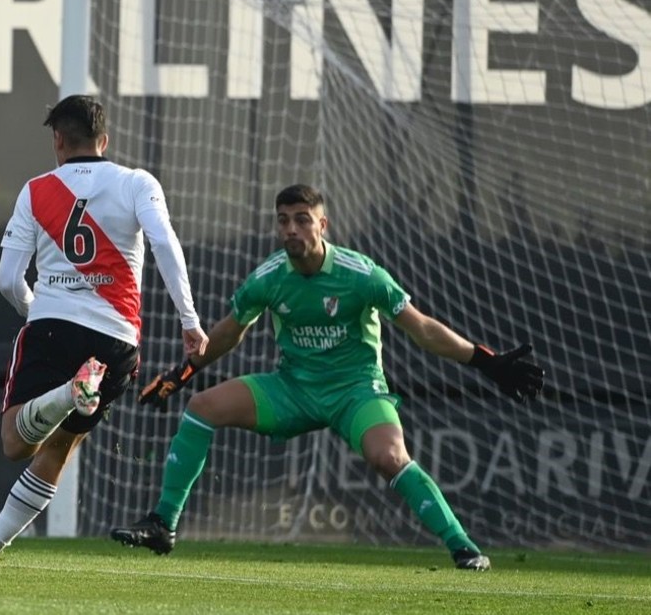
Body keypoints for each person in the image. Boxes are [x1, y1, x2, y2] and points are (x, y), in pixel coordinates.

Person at [110, 184, 544, 571]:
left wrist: (485, 361)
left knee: (389, 456)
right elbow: (227, 334)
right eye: (283, 221)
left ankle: (463, 546)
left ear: (323, 224)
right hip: (294, 389)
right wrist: (180, 374)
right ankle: (163, 524)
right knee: (202, 408)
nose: (291, 230)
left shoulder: (362, 275)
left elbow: (422, 328)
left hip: (356, 391)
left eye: (302, 220)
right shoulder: (269, 277)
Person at [0, 95, 209, 566]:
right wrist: (189, 321)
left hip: (54, 326)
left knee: (17, 442)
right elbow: (164, 242)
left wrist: (35, 309)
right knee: (61, 445)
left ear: (57, 139)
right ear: (105, 140)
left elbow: (9, 280)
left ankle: (66, 394)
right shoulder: (137, 183)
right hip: (117, 343)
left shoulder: (36, 190)